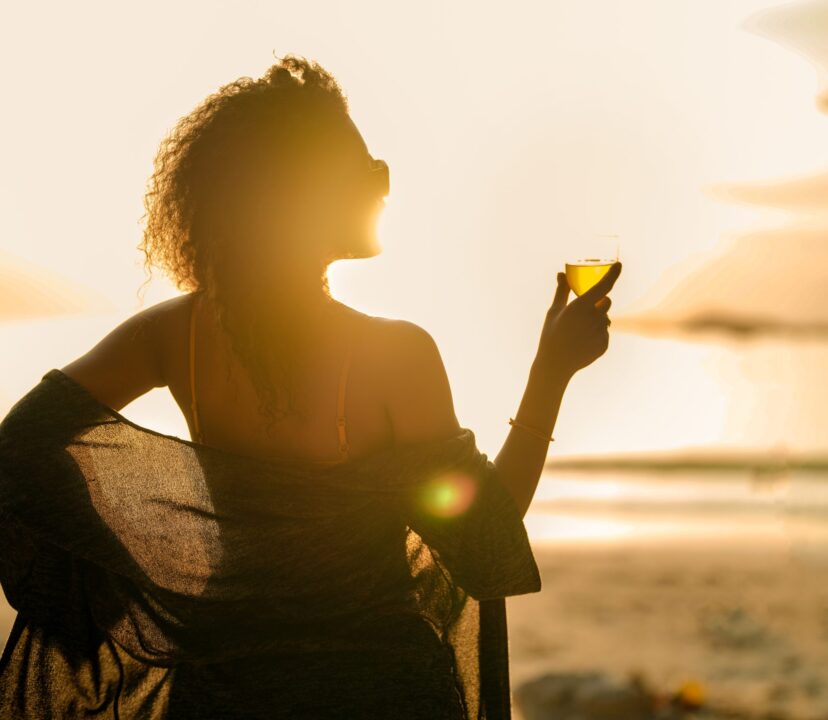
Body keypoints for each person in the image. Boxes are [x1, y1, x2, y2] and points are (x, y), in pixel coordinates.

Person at [0, 54, 621, 718]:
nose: (384, 184)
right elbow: (485, 534)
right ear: (306, 193)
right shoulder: (394, 354)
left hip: (222, 691)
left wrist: (140, 586)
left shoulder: (171, 334)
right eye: (367, 168)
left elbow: (20, 450)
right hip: (378, 689)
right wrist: (550, 374)